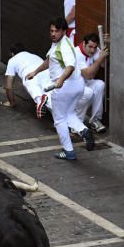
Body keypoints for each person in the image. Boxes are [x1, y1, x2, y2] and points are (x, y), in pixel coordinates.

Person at [27, 17, 94, 161]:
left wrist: (60, 80)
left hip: (65, 87)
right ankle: (84, 130)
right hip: (77, 86)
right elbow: (49, 61)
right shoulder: (59, 44)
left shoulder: (63, 46)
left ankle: (68, 151)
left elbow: (70, 66)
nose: (53, 34)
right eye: (51, 31)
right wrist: (35, 72)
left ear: (64, 31)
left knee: (59, 120)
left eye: (56, 31)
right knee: (69, 114)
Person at [3, 43, 52, 118]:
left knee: (35, 90)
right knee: (50, 95)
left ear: (12, 53)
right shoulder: (33, 55)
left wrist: (11, 102)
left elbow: (8, 87)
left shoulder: (12, 60)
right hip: (45, 72)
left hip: (29, 73)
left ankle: (39, 100)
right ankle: (67, 121)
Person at [75, 33, 108, 133]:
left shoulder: (93, 49)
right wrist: (99, 59)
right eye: (90, 47)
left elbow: (103, 64)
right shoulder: (77, 53)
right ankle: (76, 123)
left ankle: (95, 120)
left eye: (95, 47)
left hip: (84, 83)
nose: (93, 50)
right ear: (84, 44)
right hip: (72, 86)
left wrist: (107, 45)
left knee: (100, 84)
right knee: (88, 91)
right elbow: (88, 75)